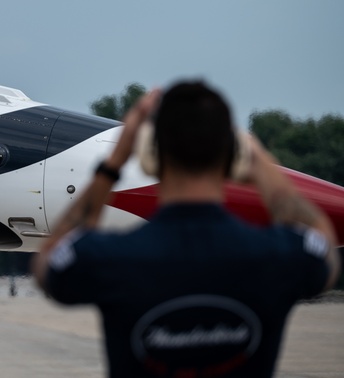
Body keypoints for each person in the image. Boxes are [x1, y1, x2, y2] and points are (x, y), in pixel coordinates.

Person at [32, 81, 340, 377]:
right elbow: (321, 241)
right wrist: (260, 163)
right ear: (233, 156)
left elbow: (49, 259)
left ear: (150, 156)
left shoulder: (110, 257)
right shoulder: (278, 255)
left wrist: (115, 160)